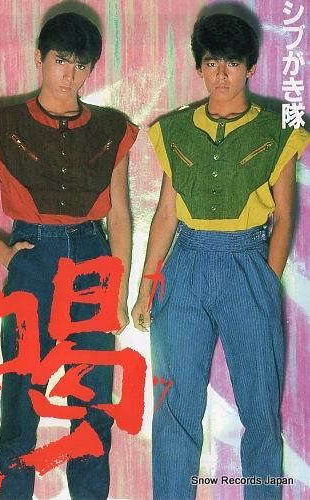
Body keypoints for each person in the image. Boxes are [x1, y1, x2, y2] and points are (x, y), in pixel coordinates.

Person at [0, 11, 138, 500]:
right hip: (33, 261)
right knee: (21, 397)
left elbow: (120, 216)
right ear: (39, 58)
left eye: (81, 65)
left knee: (92, 402)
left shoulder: (111, 128)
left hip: (93, 262)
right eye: (61, 61)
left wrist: (118, 292)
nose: (70, 75)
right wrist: (5, 253)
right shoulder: (4, 124)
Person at [131, 12, 309, 500]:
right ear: (200, 68)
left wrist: (266, 280)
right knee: (174, 407)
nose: (221, 73)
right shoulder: (174, 130)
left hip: (247, 263)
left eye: (232, 63)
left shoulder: (279, 128)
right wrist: (146, 288)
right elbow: (165, 215)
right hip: (185, 266)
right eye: (212, 63)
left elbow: (285, 217)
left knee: (260, 409)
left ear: (250, 67)